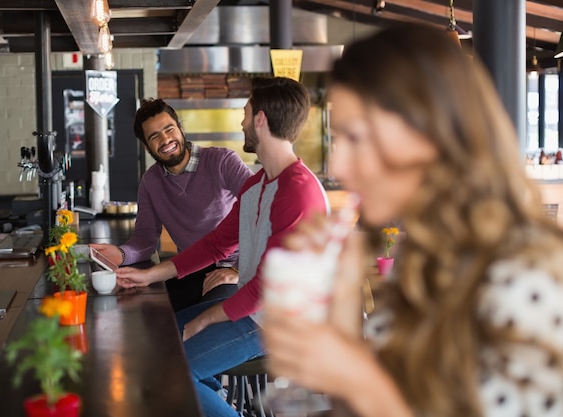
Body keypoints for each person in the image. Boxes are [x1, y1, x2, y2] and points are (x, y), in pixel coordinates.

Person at [262, 24, 563, 417]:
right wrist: (340, 305)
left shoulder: (528, 275)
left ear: (426, 134)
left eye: (355, 138)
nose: (337, 164)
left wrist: (358, 378)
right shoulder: (423, 258)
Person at [116, 76, 330, 416]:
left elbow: (267, 289)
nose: (241, 121)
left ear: (261, 120)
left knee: (175, 369)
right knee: (157, 341)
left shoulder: (297, 191)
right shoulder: (258, 184)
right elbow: (215, 245)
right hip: (253, 308)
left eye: (245, 113)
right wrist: (147, 275)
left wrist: (204, 320)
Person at [90, 98, 253, 311]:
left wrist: (240, 270)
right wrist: (121, 254)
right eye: (154, 136)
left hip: (230, 266)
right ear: (147, 146)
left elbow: (260, 207)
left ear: (180, 128)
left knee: (200, 324)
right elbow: (145, 238)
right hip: (188, 268)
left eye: (169, 129)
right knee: (148, 313)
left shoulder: (222, 161)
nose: (165, 139)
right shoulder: (150, 181)